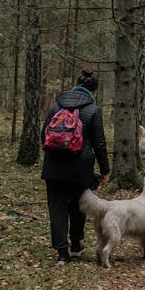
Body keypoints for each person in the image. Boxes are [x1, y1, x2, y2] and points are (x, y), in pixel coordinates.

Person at [41, 68, 110, 265]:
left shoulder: (56, 107)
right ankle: (77, 244)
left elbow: (43, 136)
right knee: (79, 206)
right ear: (93, 91)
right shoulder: (92, 110)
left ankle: (62, 253)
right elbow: (99, 143)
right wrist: (105, 170)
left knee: (57, 208)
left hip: (53, 168)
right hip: (80, 169)